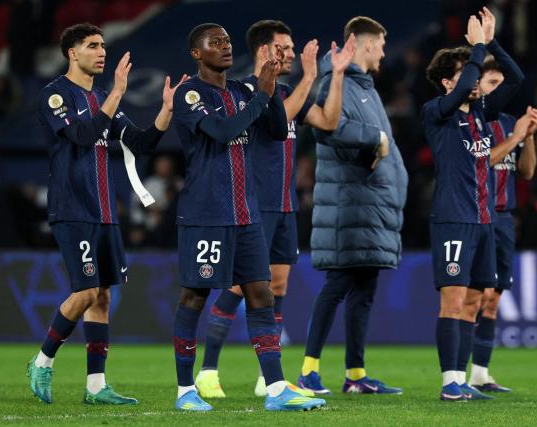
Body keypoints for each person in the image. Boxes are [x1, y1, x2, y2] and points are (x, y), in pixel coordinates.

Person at [170, 22, 326, 412]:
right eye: (215, 42)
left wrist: (267, 90)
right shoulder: (190, 92)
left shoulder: (242, 90)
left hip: (246, 214)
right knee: (194, 296)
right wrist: (261, 96)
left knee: (261, 293)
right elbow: (222, 131)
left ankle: (275, 388)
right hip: (206, 214)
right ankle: (186, 389)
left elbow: (275, 130)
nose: (224, 46)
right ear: (196, 53)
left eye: (226, 40)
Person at [195, 20, 355, 399]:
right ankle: (207, 371)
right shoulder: (247, 90)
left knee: (277, 285)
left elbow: (328, 121)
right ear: (264, 51)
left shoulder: (288, 92)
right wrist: (312, 74)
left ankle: (268, 376)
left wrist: (337, 75)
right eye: (284, 47)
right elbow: (278, 121)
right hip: (253, 204)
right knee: (241, 285)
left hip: (284, 205)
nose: (291, 54)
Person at [28, 23, 186, 404]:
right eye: (92, 46)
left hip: (104, 210)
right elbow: (82, 136)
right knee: (85, 291)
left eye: (102, 45)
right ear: (72, 53)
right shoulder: (55, 96)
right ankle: (42, 360)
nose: (101, 52)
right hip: (73, 207)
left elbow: (142, 142)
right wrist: (116, 92)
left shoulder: (102, 97)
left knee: (101, 297)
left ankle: (96, 387)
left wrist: (165, 111)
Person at [422, 8, 534, 401]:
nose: (473, 74)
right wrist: (478, 47)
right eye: (464, 69)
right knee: (453, 300)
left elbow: (516, 79)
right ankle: (449, 382)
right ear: (448, 82)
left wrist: (493, 42)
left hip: (486, 219)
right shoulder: (436, 113)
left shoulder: (483, 114)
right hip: (454, 219)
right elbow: (471, 76)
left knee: (474, 300)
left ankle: (464, 380)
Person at [297, 16, 408, 395]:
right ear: (363, 44)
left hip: (370, 207)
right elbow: (328, 128)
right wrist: (374, 136)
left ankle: (356, 375)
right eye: (380, 44)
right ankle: (308, 371)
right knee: (338, 284)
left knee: (364, 289)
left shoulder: (368, 88)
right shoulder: (333, 80)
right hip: (348, 205)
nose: (383, 51)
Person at [468, 59, 537, 393]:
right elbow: (480, 161)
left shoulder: (511, 123)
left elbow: (526, 172)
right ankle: (459, 373)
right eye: (491, 82)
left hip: (503, 218)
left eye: (501, 83)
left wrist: (529, 137)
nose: (497, 89)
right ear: (478, 86)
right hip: (476, 216)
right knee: (475, 297)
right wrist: (514, 138)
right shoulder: (473, 121)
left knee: (494, 299)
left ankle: (481, 373)